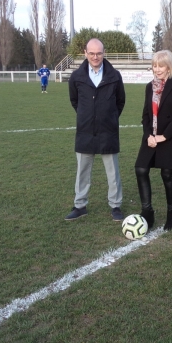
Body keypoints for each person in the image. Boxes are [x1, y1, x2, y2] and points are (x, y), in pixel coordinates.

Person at [65, 38, 126, 222]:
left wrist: (109, 118)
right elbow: (75, 101)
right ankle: (80, 205)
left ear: (104, 52)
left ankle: (115, 206)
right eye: (91, 53)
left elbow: (120, 102)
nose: (95, 56)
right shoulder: (77, 76)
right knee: (82, 171)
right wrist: (87, 116)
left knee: (112, 172)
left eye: (98, 53)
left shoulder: (114, 75)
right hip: (85, 131)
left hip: (108, 131)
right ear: (85, 53)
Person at [135, 50, 172, 231]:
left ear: (169, 67)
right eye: (155, 66)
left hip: (171, 137)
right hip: (152, 136)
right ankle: (147, 212)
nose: (157, 69)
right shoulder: (149, 86)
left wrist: (163, 137)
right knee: (141, 168)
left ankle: (171, 212)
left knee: (167, 173)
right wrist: (148, 136)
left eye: (161, 66)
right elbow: (145, 115)